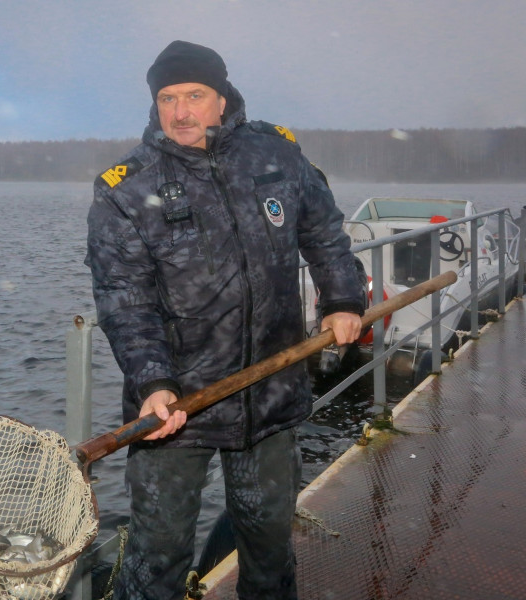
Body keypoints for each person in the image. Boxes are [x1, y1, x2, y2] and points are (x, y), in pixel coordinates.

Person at [85, 40, 365, 600]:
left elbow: (324, 233)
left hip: (271, 392)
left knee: (267, 548)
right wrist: (153, 384)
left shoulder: (276, 155)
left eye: (195, 95)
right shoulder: (126, 187)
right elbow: (125, 299)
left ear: (222, 98)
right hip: (175, 410)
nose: (181, 111)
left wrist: (342, 301)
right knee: (156, 555)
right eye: (168, 97)